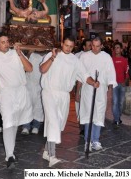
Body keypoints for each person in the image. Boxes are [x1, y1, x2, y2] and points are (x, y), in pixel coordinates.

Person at [40, 36, 99, 167]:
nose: (68, 48)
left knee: (59, 125)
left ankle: (46, 150)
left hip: (64, 95)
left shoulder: (74, 60)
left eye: (71, 46)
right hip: (49, 92)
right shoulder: (52, 54)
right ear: (62, 44)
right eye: (66, 45)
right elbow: (42, 69)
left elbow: (84, 75)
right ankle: (52, 156)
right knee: (53, 123)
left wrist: (93, 82)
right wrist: (52, 58)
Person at [0, 32, 33, 169]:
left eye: (7, 41)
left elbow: (30, 68)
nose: (6, 44)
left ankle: (11, 151)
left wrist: (20, 53)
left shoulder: (16, 54)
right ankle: (9, 155)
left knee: (14, 123)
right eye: (2, 42)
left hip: (20, 91)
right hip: (5, 93)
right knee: (8, 122)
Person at [79, 36, 117, 152]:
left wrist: (110, 89)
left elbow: (111, 74)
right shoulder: (84, 56)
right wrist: (77, 92)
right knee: (87, 114)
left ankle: (95, 140)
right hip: (87, 90)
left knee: (98, 114)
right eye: (93, 46)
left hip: (101, 90)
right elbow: (80, 73)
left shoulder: (106, 57)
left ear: (101, 46)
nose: (95, 49)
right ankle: (87, 141)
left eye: (97, 46)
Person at [21, 51, 45, 135]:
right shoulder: (31, 54)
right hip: (29, 83)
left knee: (39, 106)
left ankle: (36, 126)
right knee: (27, 105)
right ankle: (26, 126)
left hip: (41, 84)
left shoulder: (48, 55)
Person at [75, 39, 92, 136]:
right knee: (80, 107)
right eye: (89, 45)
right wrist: (77, 91)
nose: (91, 47)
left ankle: (89, 126)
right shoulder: (78, 56)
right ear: (84, 47)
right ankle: (82, 127)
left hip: (90, 86)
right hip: (79, 84)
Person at [112, 42, 129, 128]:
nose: (116, 49)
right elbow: (109, 73)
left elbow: (127, 72)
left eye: (118, 47)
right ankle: (117, 119)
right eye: (115, 48)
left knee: (121, 103)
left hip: (122, 85)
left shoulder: (124, 60)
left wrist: (125, 81)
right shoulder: (111, 60)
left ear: (121, 49)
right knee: (115, 102)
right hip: (114, 84)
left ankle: (118, 117)